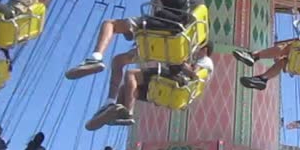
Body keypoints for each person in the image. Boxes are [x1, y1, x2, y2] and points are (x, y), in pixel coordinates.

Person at [66, 0, 200, 80]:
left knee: (110, 24)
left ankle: (95, 58)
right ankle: (113, 104)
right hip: (167, 43)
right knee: (118, 60)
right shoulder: (197, 8)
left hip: (162, 29)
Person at [85, 43, 214, 130]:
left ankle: (128, 112)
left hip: (177, 81)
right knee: (125, 88)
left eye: (199, 47)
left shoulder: (205, 61)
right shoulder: (201, 62)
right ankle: (116, 112)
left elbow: (194, 74)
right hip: (174, 87)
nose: (196, 50)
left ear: (205, 49)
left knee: (130, 74)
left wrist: (180, 62)